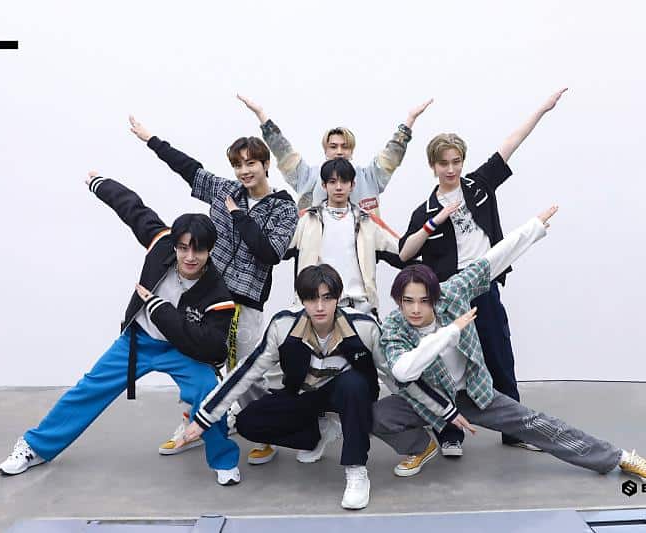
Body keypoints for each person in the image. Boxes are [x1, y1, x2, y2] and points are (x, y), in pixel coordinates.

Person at [374, 206, 646, 487]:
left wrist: (534, 227)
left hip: (473, 393)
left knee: (537, 424)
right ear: (398, 301)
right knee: (376, 416)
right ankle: (421, 447)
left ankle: (618, 458)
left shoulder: (453, 293)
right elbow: (403, 371)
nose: (415, 309)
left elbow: (492, 260)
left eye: (424, 301)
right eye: (407, 301)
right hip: (427, 400)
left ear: (436, 297)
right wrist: (450, 332)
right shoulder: (394, 328)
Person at [0, 173, 241, 485]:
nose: (189, 257)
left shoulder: (218, 294)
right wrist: (100, 184)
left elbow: (214, 348)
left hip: (184, 351)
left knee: (209, 392)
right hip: (139, 341)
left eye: (198, 250)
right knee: (89, 388)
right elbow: (133, 209)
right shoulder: (160, 245)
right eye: (183, 248)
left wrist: (160, 310)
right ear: (175, 245)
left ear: (210, 250)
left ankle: (224, 460)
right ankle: (35, 447)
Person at [176, 265, 455, 509]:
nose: (320, 307)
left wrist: (445, 411)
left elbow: (398, 375)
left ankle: (356, 471)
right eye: (312, 299)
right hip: (305, 396)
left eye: (327, 298)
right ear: (302, 300)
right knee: (248, 422)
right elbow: (246, 373)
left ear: (338, 298)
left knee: (353, 383)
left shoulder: (364, 327)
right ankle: (320, 432)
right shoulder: (283, 326)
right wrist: (203, 419)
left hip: (350, 396)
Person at [398, 88, 567, 450]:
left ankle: (516, 432)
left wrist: (542, 108)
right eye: (444, 163)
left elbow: (511, 143)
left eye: (456, 161)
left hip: (484, 287)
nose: (451, 169)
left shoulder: (479, 185)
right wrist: (433, 223)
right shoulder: (426, 209)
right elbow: (405, 253)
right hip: (449, 297)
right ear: (433, 166)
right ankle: (450, 434)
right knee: (447, 366)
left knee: (500, 357)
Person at [128, 116, 298, 460]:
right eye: (238, 165)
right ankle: (193, 422)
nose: (244, 171)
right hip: (208, 294)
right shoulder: (225, 191)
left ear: (266, 164)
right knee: (195, 361)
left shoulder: (284, 208)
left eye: (251, 163)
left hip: (246, 300)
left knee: (245, 370)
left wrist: (239, 216)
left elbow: (270, 253)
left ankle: (264, 433)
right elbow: (189, 169)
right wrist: (152, 140)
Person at [237, 94, 432, 214]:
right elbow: (283, 151)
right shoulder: (308, 177)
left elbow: (391, 156)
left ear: (352, 151)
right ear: (325, 150)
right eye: (333, 146)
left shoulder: (369, 177)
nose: (339, 151)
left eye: (344, 147)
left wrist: (409, 120)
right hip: (315, 258)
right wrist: (261, 115)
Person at [285, 158, 407, 317]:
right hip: (315, 307)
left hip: (358, 307)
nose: (338, 187)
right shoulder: (306, 219)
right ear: (324, 185)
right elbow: (275, 249)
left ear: (352, 185)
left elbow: (403, 252)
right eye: (332, 182)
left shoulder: (367, 221)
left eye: (344, 181)